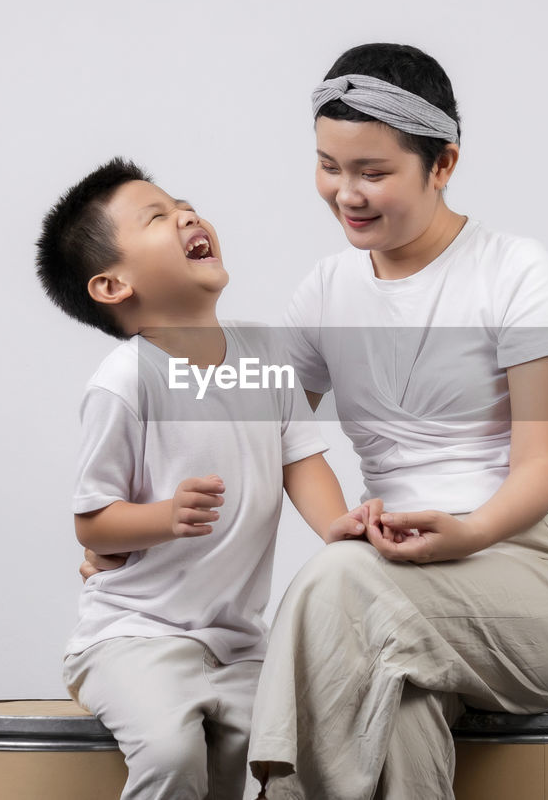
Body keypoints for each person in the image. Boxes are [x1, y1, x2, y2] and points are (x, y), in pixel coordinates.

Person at [244, 43, 548, 799]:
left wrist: (468, 533)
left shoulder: (513, 269)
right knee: (394, 710)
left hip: (530, 575)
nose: (346, 193)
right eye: (328, 166)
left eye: (373, 172)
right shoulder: (324, 290)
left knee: (342, 583)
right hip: (389, 587)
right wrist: (130, 532)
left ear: (442, 164)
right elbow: (265, 430)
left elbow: (542, 469)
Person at [36, 157, 376, 800]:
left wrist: (339, 528)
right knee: (171, 755)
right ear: (112, 287)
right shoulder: (125, 382)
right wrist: (163, 518)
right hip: (134, 637)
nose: (187, 215)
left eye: (183, 205)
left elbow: (299, 458)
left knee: (291, 760)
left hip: (239, 643)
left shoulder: (263, 353)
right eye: (157, 217)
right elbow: (92, 520)